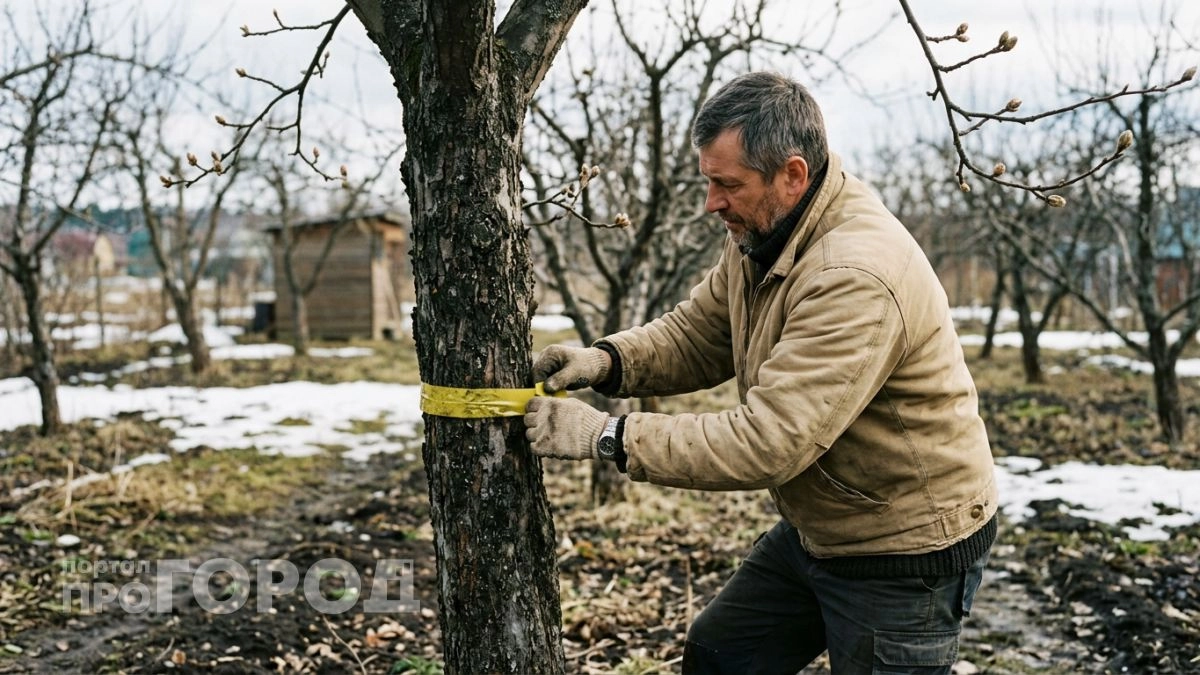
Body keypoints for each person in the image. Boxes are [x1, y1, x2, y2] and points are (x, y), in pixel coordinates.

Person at [524, 71, 997, 674]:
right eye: (709, 181)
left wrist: (607, 435)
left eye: (727, 184)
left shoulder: (854, 275)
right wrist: (607, 361)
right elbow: (701, 332)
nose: (711, 203)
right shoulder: (765, 228)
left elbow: (768, 442)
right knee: (724, 656)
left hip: (903, 547)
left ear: (792, 174)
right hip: (822, 525)